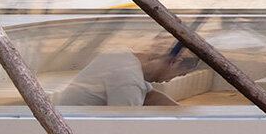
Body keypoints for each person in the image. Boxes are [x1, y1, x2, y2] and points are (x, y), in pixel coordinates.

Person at [57, 38, 199, 107]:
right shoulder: (128, 80)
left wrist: (182, 114)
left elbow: (149, 96)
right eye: (178, 74)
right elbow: (125, 126)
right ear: (174, 61)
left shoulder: (121, 54)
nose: (168, 80)